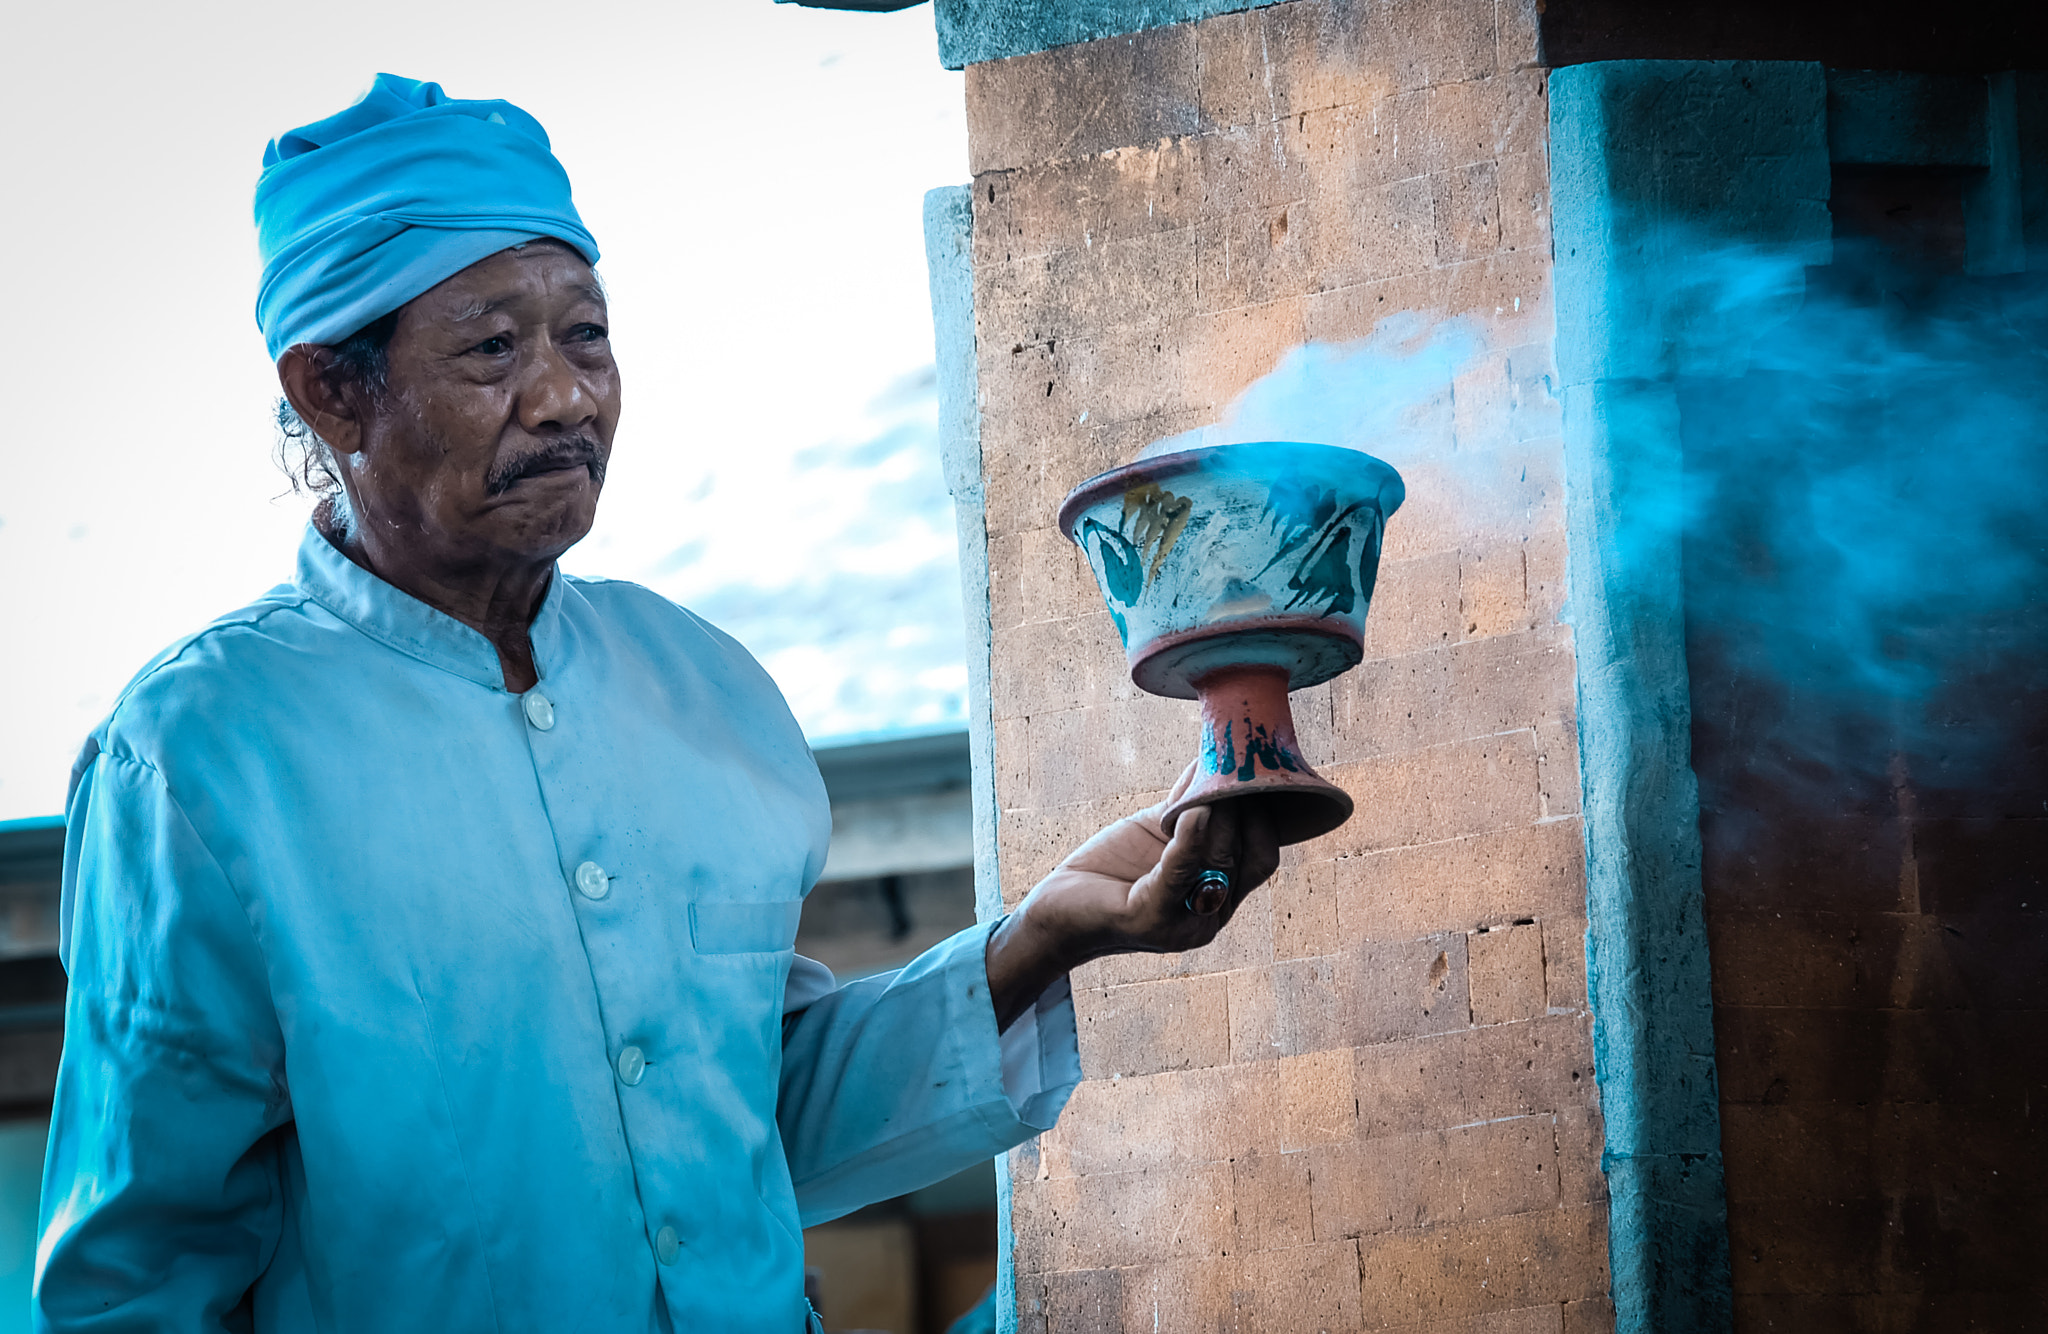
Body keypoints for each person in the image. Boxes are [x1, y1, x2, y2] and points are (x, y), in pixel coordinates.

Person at [36, 75, 1277, 1332]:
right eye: (490, 349)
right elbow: (137, 1280)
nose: (567, 396)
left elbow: (735, 1115)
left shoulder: (703, 687)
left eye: (586, 334)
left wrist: (1043, 933)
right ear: (332, 392)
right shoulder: (198, 759)